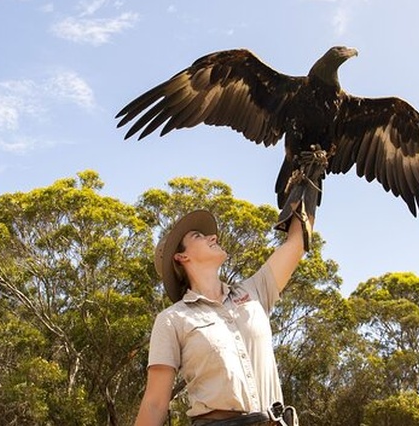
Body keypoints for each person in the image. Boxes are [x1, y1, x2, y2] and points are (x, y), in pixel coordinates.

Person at [134, 149, 326, 426]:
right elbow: (154, 404)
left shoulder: (255, 291)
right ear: (182, 257)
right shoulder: (172, 320)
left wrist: (310, 184)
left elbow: (296, 244)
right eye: (198, 236)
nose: (213, 236)